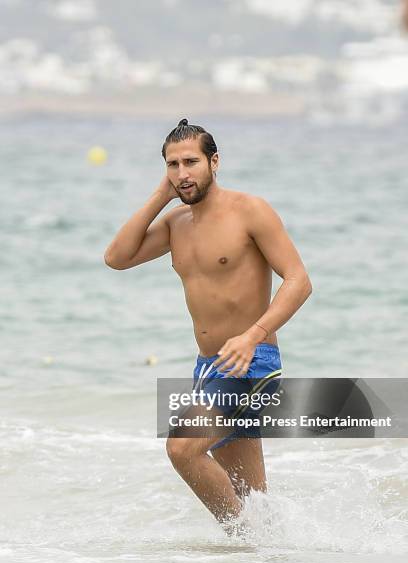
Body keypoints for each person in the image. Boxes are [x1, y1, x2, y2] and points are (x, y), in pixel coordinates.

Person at [104, 119, 312, 528]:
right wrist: (162, 196)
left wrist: (253, 336)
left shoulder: (250, 210)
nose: (182, 173)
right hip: (208, 367)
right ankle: (269, 556)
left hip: (251, 363)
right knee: (253, 498)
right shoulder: (176, 224)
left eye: (191, 162)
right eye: (172, 165)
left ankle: (241, 538)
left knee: (182, 448)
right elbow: (117, 257)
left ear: (214, 162)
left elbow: (299, 280)